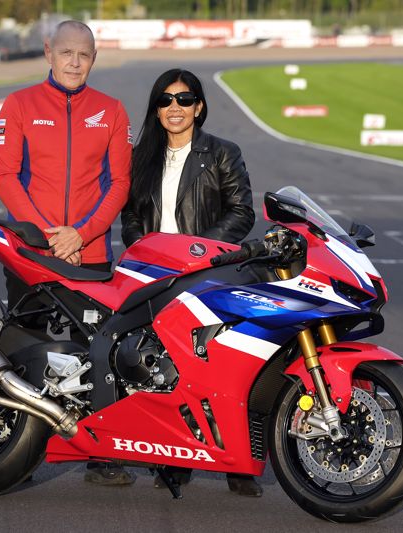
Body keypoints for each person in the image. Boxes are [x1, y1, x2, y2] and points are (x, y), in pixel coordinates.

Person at [0, 20, 134, 487]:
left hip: (90, 252)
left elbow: (119, 184)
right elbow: (6, 176)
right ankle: (13, 455)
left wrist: (81, 234)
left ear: (94, 58)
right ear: (49, 53)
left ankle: (101, 454)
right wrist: (44, 238)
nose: (75, 62)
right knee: (21, 348)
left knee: (97, 351)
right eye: (67, 53)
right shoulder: (18, 104)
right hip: (32, 251)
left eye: (85, 55)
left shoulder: (112, 110)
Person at [121, 68, 261, 497]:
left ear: (199, 106)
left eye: (184, 100)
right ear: (156, 109)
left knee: (225, 367)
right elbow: (128, 215)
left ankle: (239, 465)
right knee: (164, 369)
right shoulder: (141, 155)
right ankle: (173, 458)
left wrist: (197, 252)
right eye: (165, 100)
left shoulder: (222, 152)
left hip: (208, 274)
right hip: (154, 276)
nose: (174, 108)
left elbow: (242, 212)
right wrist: (144, 248)